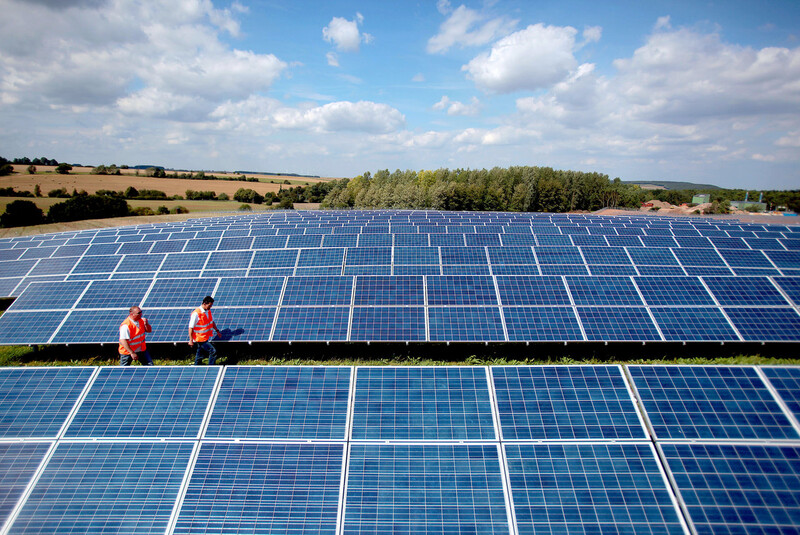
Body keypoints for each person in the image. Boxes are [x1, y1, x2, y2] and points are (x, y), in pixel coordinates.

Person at [189, 295, 221, 365]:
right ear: (204, 304)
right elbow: (190, 327)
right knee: (213, 351)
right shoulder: (196, 313)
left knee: (200, 353)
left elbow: (211, 322)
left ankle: (196, 366)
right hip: (200, 338)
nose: (211, 307)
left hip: (205, 337)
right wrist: (191, 340)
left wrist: (217, 331)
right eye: (210, 305)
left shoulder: (208, 311)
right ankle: (210, 367)